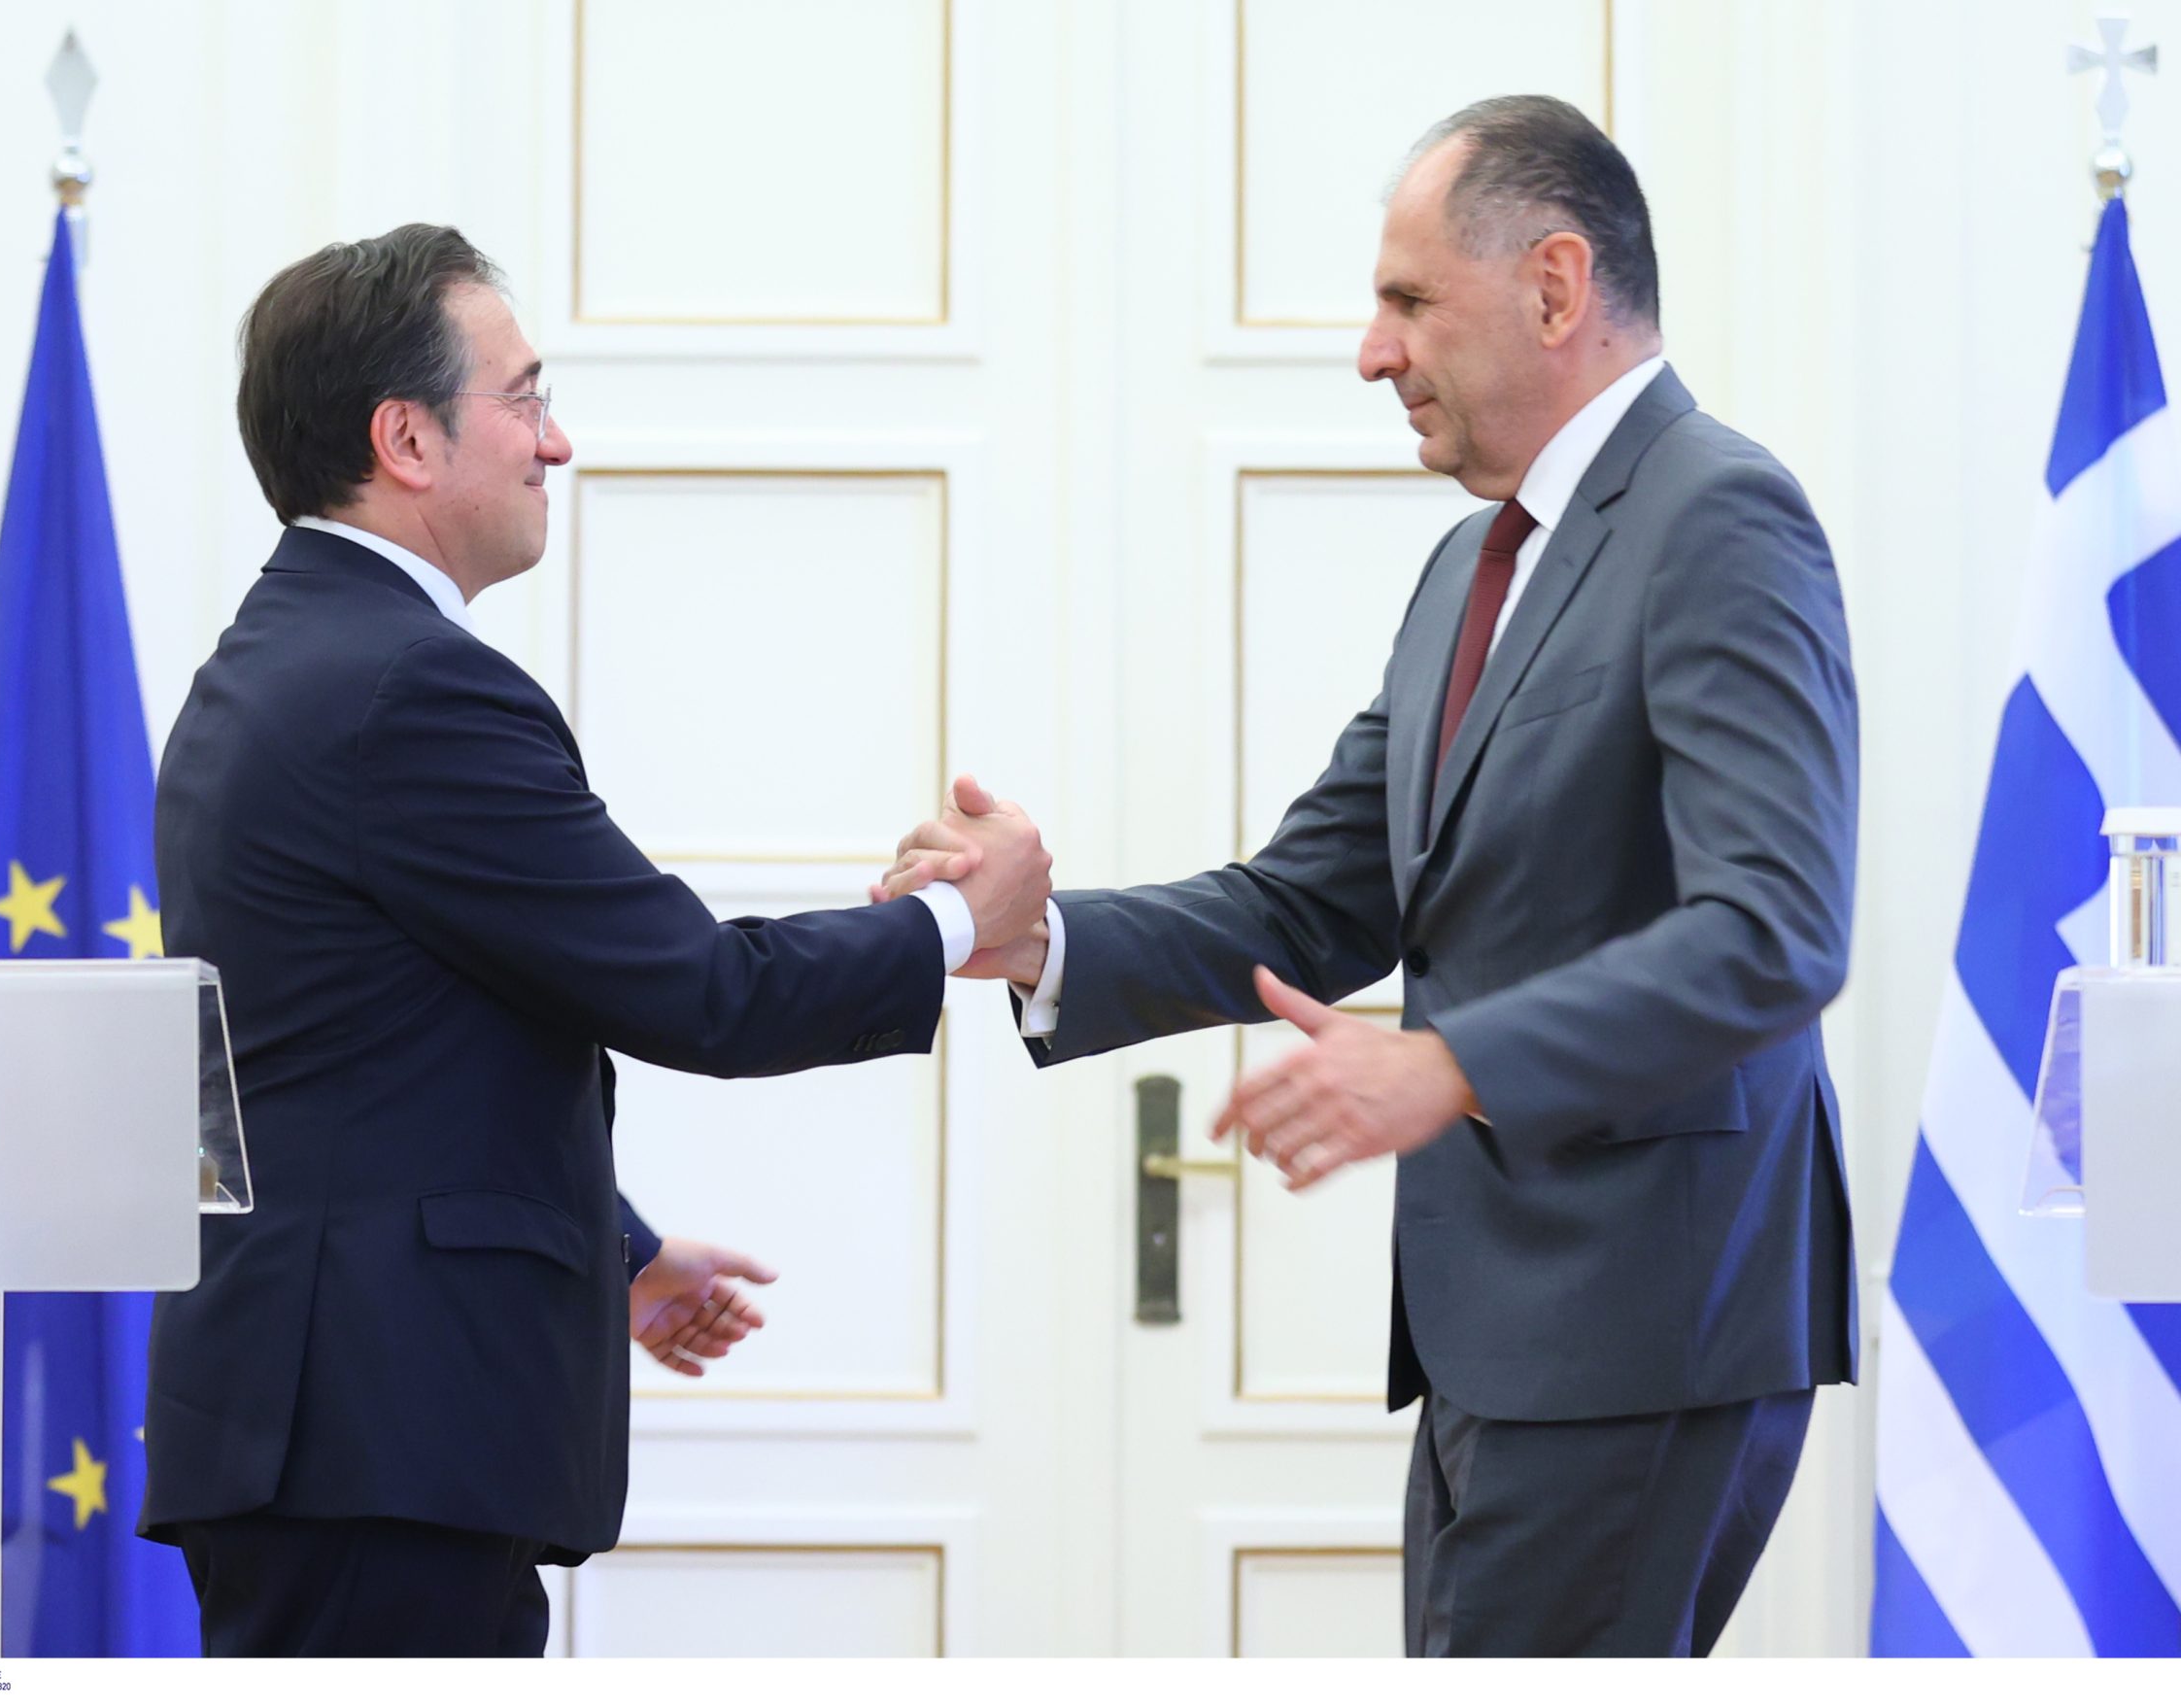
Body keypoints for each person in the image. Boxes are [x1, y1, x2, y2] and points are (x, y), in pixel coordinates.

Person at [882, 96, 1857, 1657]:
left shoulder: (1718, 515)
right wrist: (1039, 935)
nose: (1371, 351)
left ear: (1555, 286)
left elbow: (1776, 928)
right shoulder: (1474, 563)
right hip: (1498, 1343)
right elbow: (1315, 901)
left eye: (1409, 301)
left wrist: (1451, 1064)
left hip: (1643, 1332)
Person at [139, 223, 1051, 1657]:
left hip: (335, 1436)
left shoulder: (278, 663)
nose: (555, 442)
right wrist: (958, 921)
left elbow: (364, 1057)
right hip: (380, 1449)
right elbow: (704, 992)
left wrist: (612, 1248)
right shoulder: (407, 687)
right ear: (406, 439)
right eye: (525, 398)